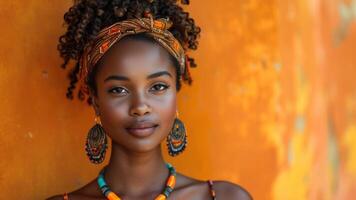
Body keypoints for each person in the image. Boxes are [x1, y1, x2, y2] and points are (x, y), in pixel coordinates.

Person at [47, 0, 252, 199]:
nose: (140, 107)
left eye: (158, 87)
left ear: (176, 91)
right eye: (118, 90)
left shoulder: (224, 197)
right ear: (96, 101)